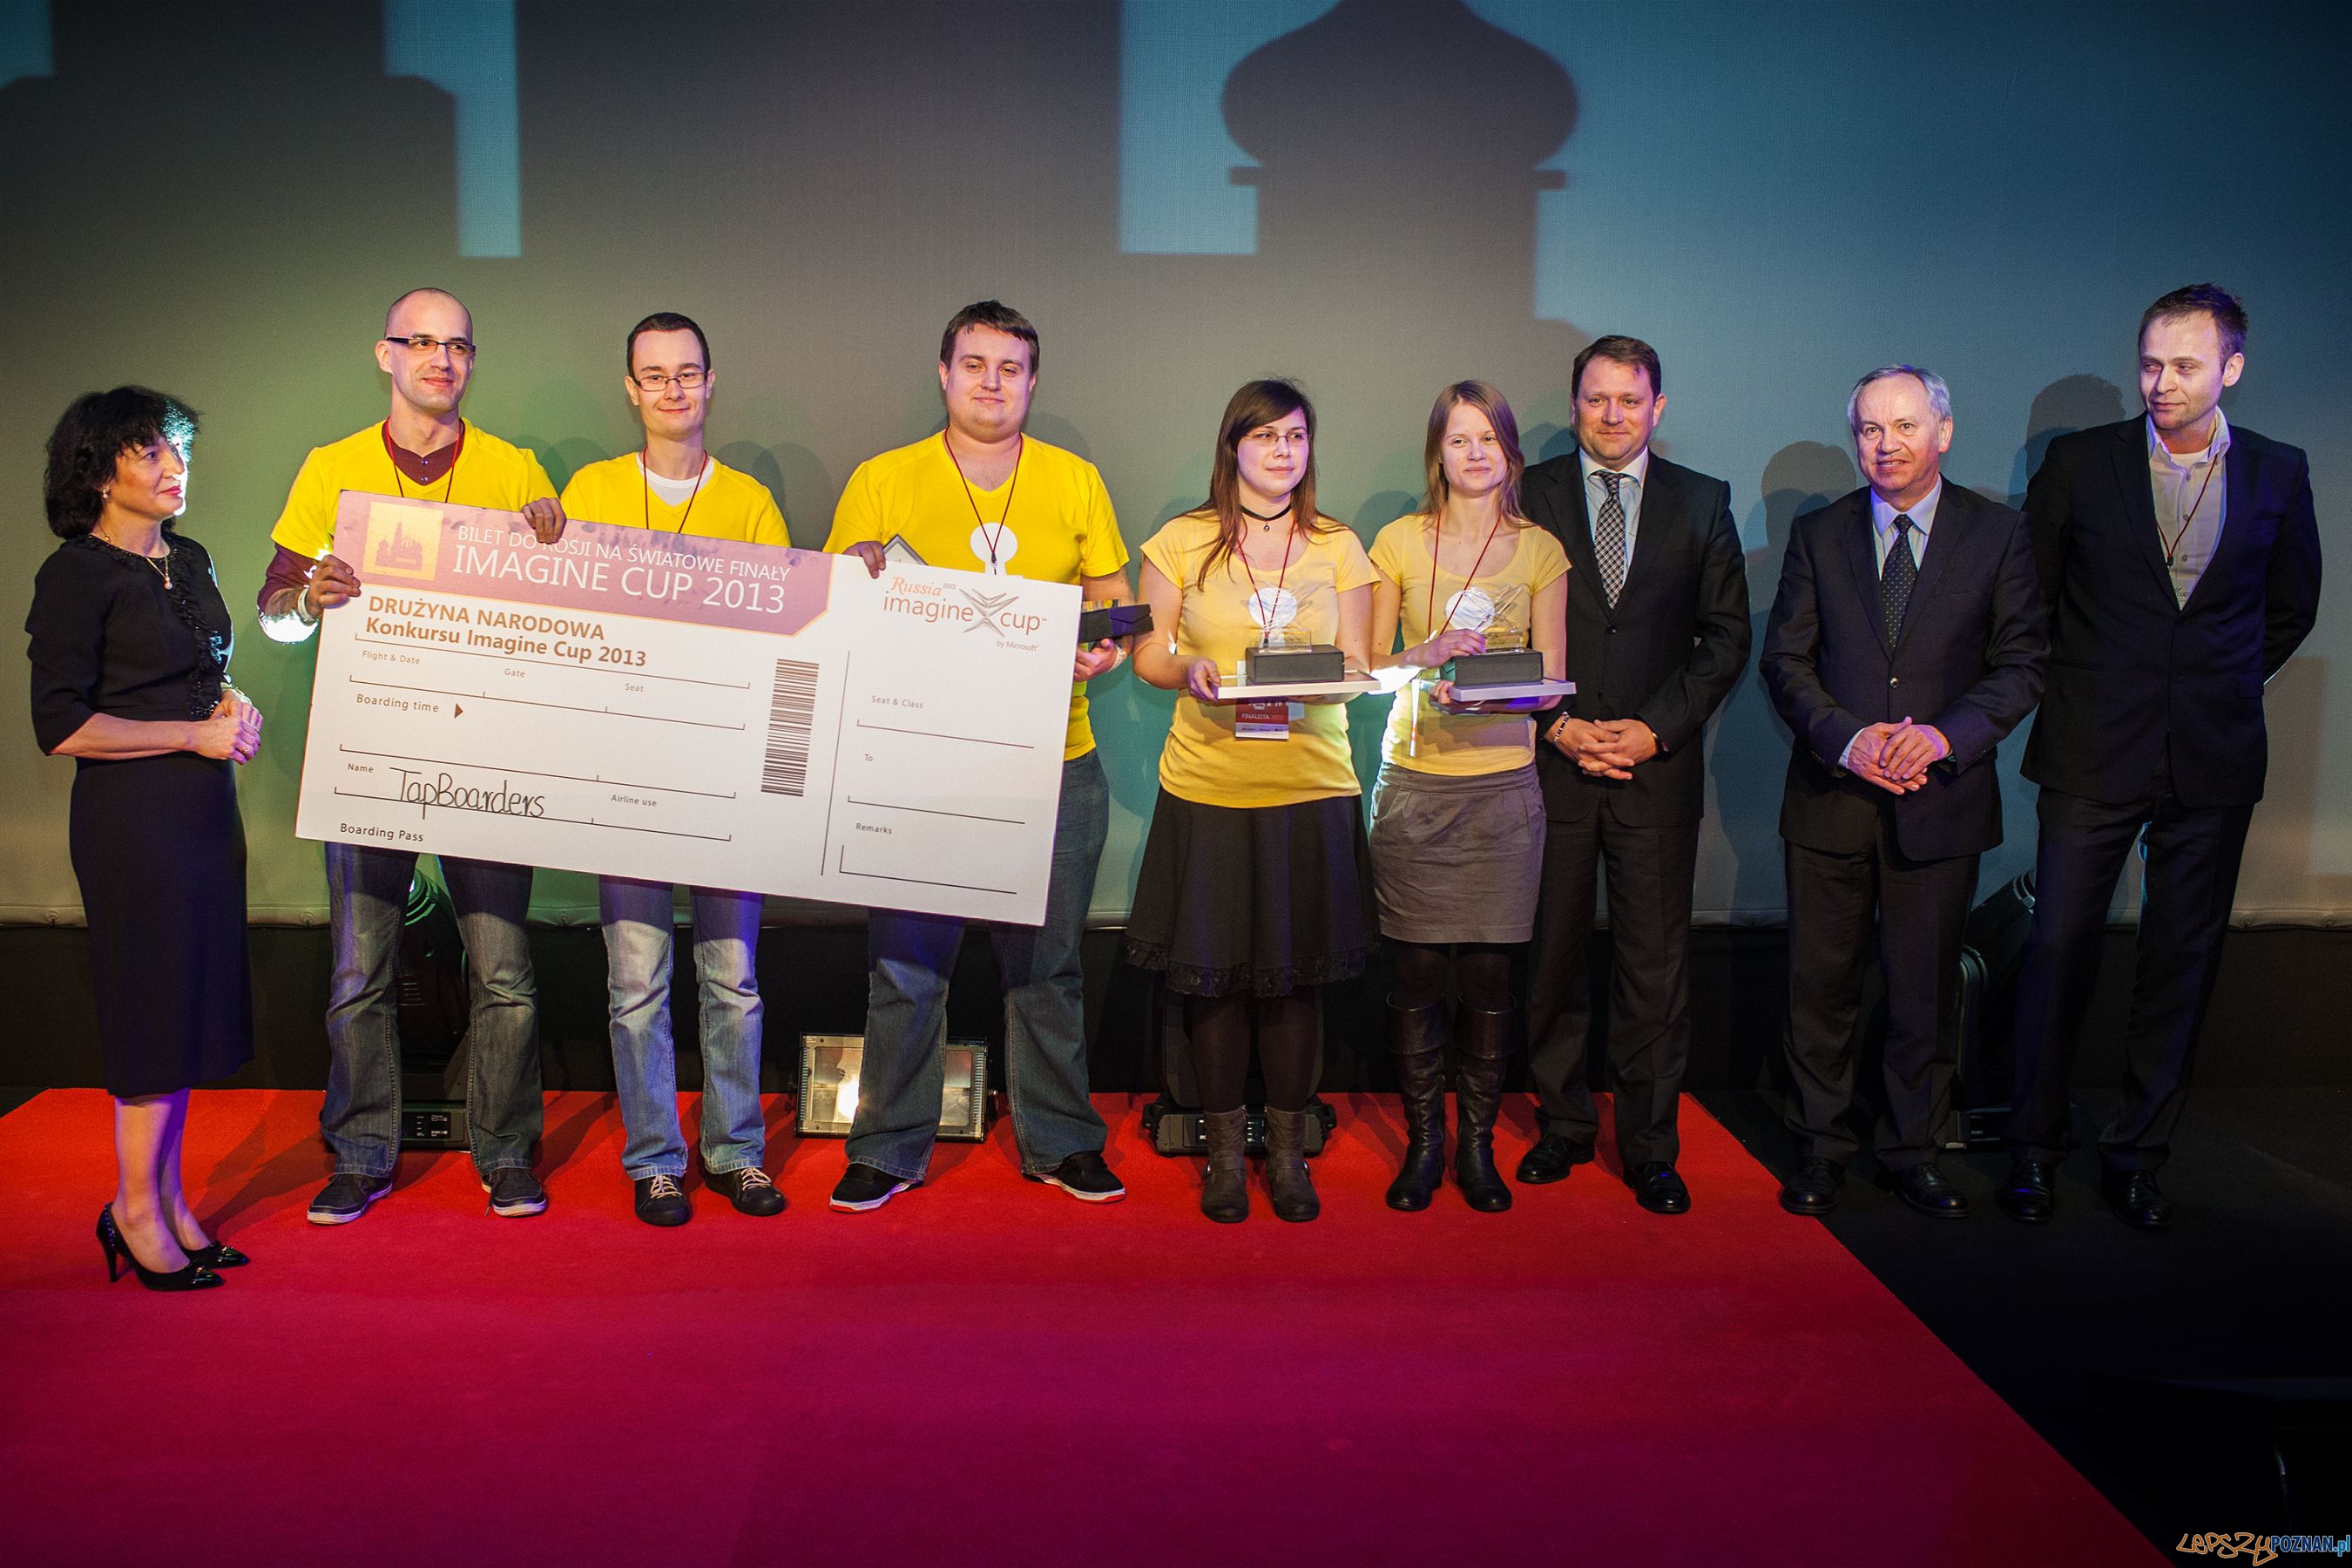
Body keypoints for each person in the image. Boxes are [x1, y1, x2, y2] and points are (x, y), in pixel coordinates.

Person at [2004, 285, 2322, 1228]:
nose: (2161, 382)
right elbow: (2036, 600)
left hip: (2214, 757)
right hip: (2092, 744)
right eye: (2150, 362)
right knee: (2057, 953)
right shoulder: (2080, 462)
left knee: (2181, 959)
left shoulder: (2278, 470)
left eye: (2185, 365)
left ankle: (2139, 1153)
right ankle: (2033, 1148)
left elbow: (2290, 606)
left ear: (2231, 368)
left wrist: (2217, 685)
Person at [256, 287, 568, 1225]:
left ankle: (506, 1150)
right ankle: (358, 1155)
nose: (441, 359)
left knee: (504, 973)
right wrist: (307, 596)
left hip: (486, 756)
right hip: (371, 758)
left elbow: (557, 621)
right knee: (360, 974)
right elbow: (272, 616)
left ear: (474, 361)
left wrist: (560, 552)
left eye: (459, 346)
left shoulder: (516, 468)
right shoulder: (332, 467)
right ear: (384, 354)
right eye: (421, 343)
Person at [824, 300, 1131, 1211]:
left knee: (1050, 968)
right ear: (944, 374)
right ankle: (886, 1144)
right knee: (907, 968)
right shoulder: (884, 478)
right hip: (919, 763)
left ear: (1033, 382)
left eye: (1011, 367)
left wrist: (1103, 647)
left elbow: (1112, 607)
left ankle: (1063, 1141)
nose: (992, 382)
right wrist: (864, 573)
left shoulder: (1075, 480)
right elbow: (842, 599)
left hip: (1054, 757)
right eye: (974, 364)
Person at [1760, 367, 2045, 1219]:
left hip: (1940, 800)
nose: (1885, 445)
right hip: (1830, 799)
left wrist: (1940, 737)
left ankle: (1910, 1152)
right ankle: (1821, 1150)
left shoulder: (2000, 536)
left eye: (1904, 426)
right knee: (1822, 988)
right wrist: (1848, 739)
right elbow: (1785, 660)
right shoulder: (1819, 535)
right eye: (1869, 430)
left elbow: (2024, 662)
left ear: (1944, 432)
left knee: (1923, 991)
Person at [1127, 378, 1379, 1224]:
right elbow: (1151, 656)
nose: (1282, 451)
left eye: (1297, 437)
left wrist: (1314, 674)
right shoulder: (1180, 543)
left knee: (1294, 983)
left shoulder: (1340, 546)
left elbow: (1358, 668)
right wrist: (1188, 671)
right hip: (1209, 790)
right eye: (1265, 435)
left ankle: (1289, 1154)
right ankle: (1226, 1156)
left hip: (1310, 789)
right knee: (1219, 985)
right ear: (1231, 445)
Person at [28, 388, 261, 1291]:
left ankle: (165, 1201)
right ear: (98, 467)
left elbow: (203, 670)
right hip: (134, 824)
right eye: (152, 453)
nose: (175, 469)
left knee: (187, 1008)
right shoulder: (76, 574)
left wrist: (232, 708)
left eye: (180, 451)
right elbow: (61, 725)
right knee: (148, 1010)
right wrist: (189, 734)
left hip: (206, 816)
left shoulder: (188, 556)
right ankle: (132, 1209)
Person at [560, 312, 789, 1227]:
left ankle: (736, 1154)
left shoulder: (749, 501)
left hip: (726, 771)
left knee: (733, 978)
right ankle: (655, 1159)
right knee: (636, 981)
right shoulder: (592, 488)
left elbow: (784, 628)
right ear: (630, 388)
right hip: (624, 773)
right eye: (652, 376)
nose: (671, 389)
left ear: (710, 381)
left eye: (686, 373)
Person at [1517, 335, 1750, 1213]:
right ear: (1574, 403)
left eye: (1629, 400)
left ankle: (1652, 1146)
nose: (1611, 415)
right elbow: (1505, 627)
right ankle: (1564, 1127)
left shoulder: (1702, 502)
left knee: (1656, 969)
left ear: (1658, 408)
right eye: (1595, 399)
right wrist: (1560, 723)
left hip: (1657, 770)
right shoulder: (1528, 494)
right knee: (1555, 960)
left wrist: (1653, 731)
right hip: (1554, 763)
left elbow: (1726, 636)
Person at [1366, 382, 1569, 1213]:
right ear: (1437, 453)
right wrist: (1429, 651)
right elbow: (1369, 670)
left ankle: (1476, 1149)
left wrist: (1490, 694)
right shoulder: (1398, 542)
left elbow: (1552, 684)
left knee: (1488, 977)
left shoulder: (1541, 549)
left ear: (1510, 453)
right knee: (1415, 972)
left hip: (1502, 794)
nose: (1475, 453)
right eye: (1459, 440)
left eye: (1489, 438)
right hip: (1415, 791)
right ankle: (1424, 1145)